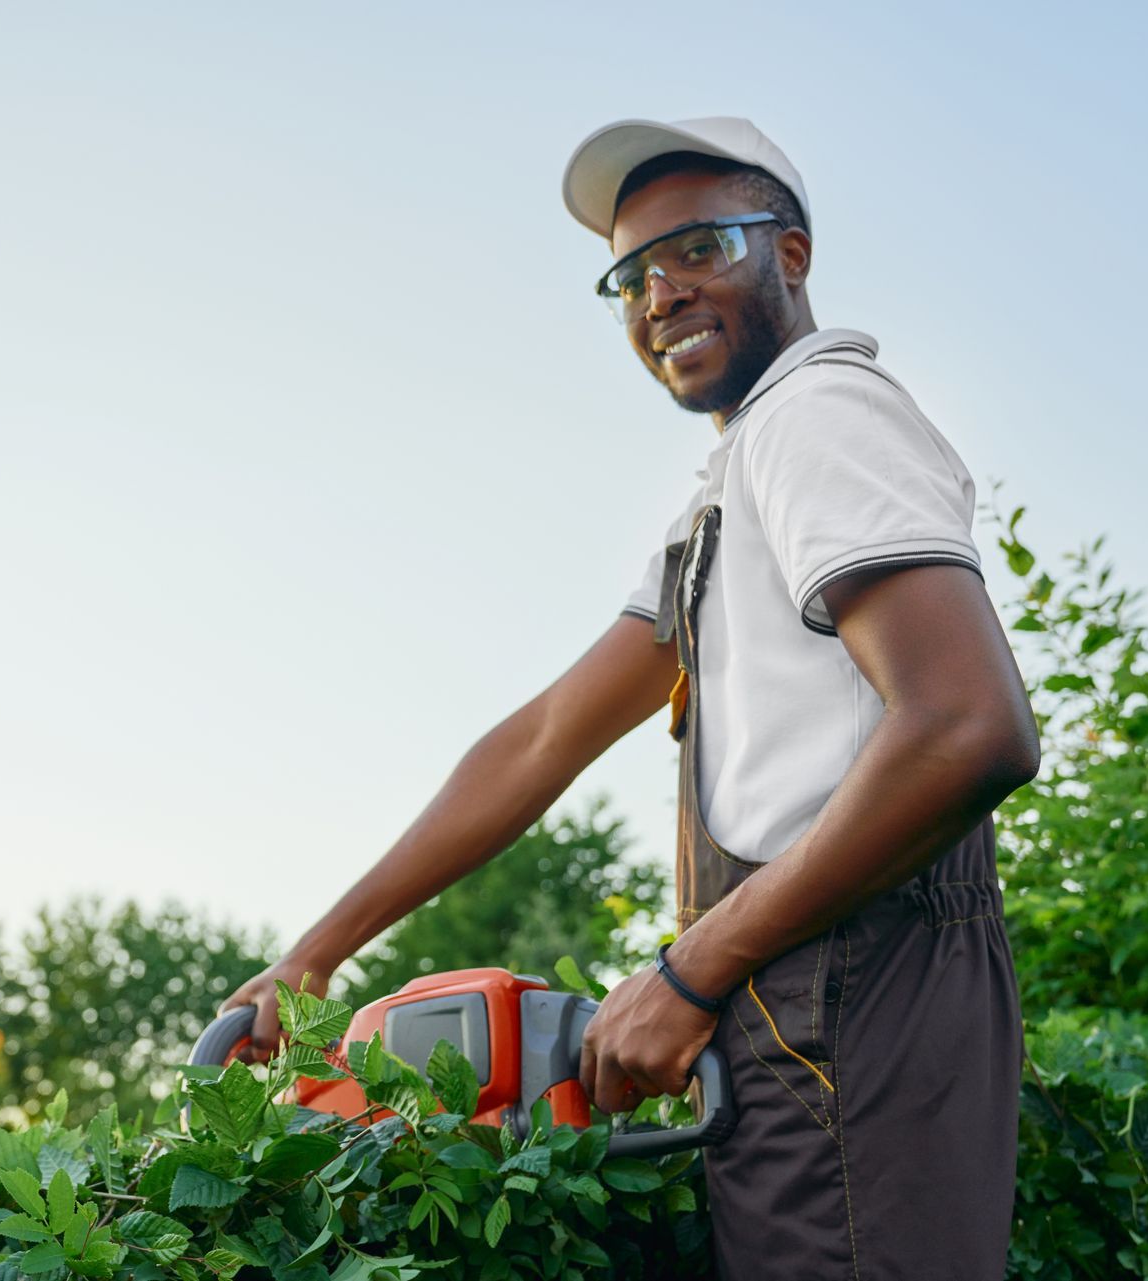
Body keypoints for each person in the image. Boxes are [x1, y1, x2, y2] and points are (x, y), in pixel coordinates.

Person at [221, 116, 1038, 1279]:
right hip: (794, 986)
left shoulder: (820, 416)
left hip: (847, 975)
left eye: (701, 248)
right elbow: (546, 738)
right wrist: (317, 953)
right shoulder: (726, 492)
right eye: (632, 275)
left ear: (790, 256)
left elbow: (968, 729)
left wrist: (692, 967)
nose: (662, 293)